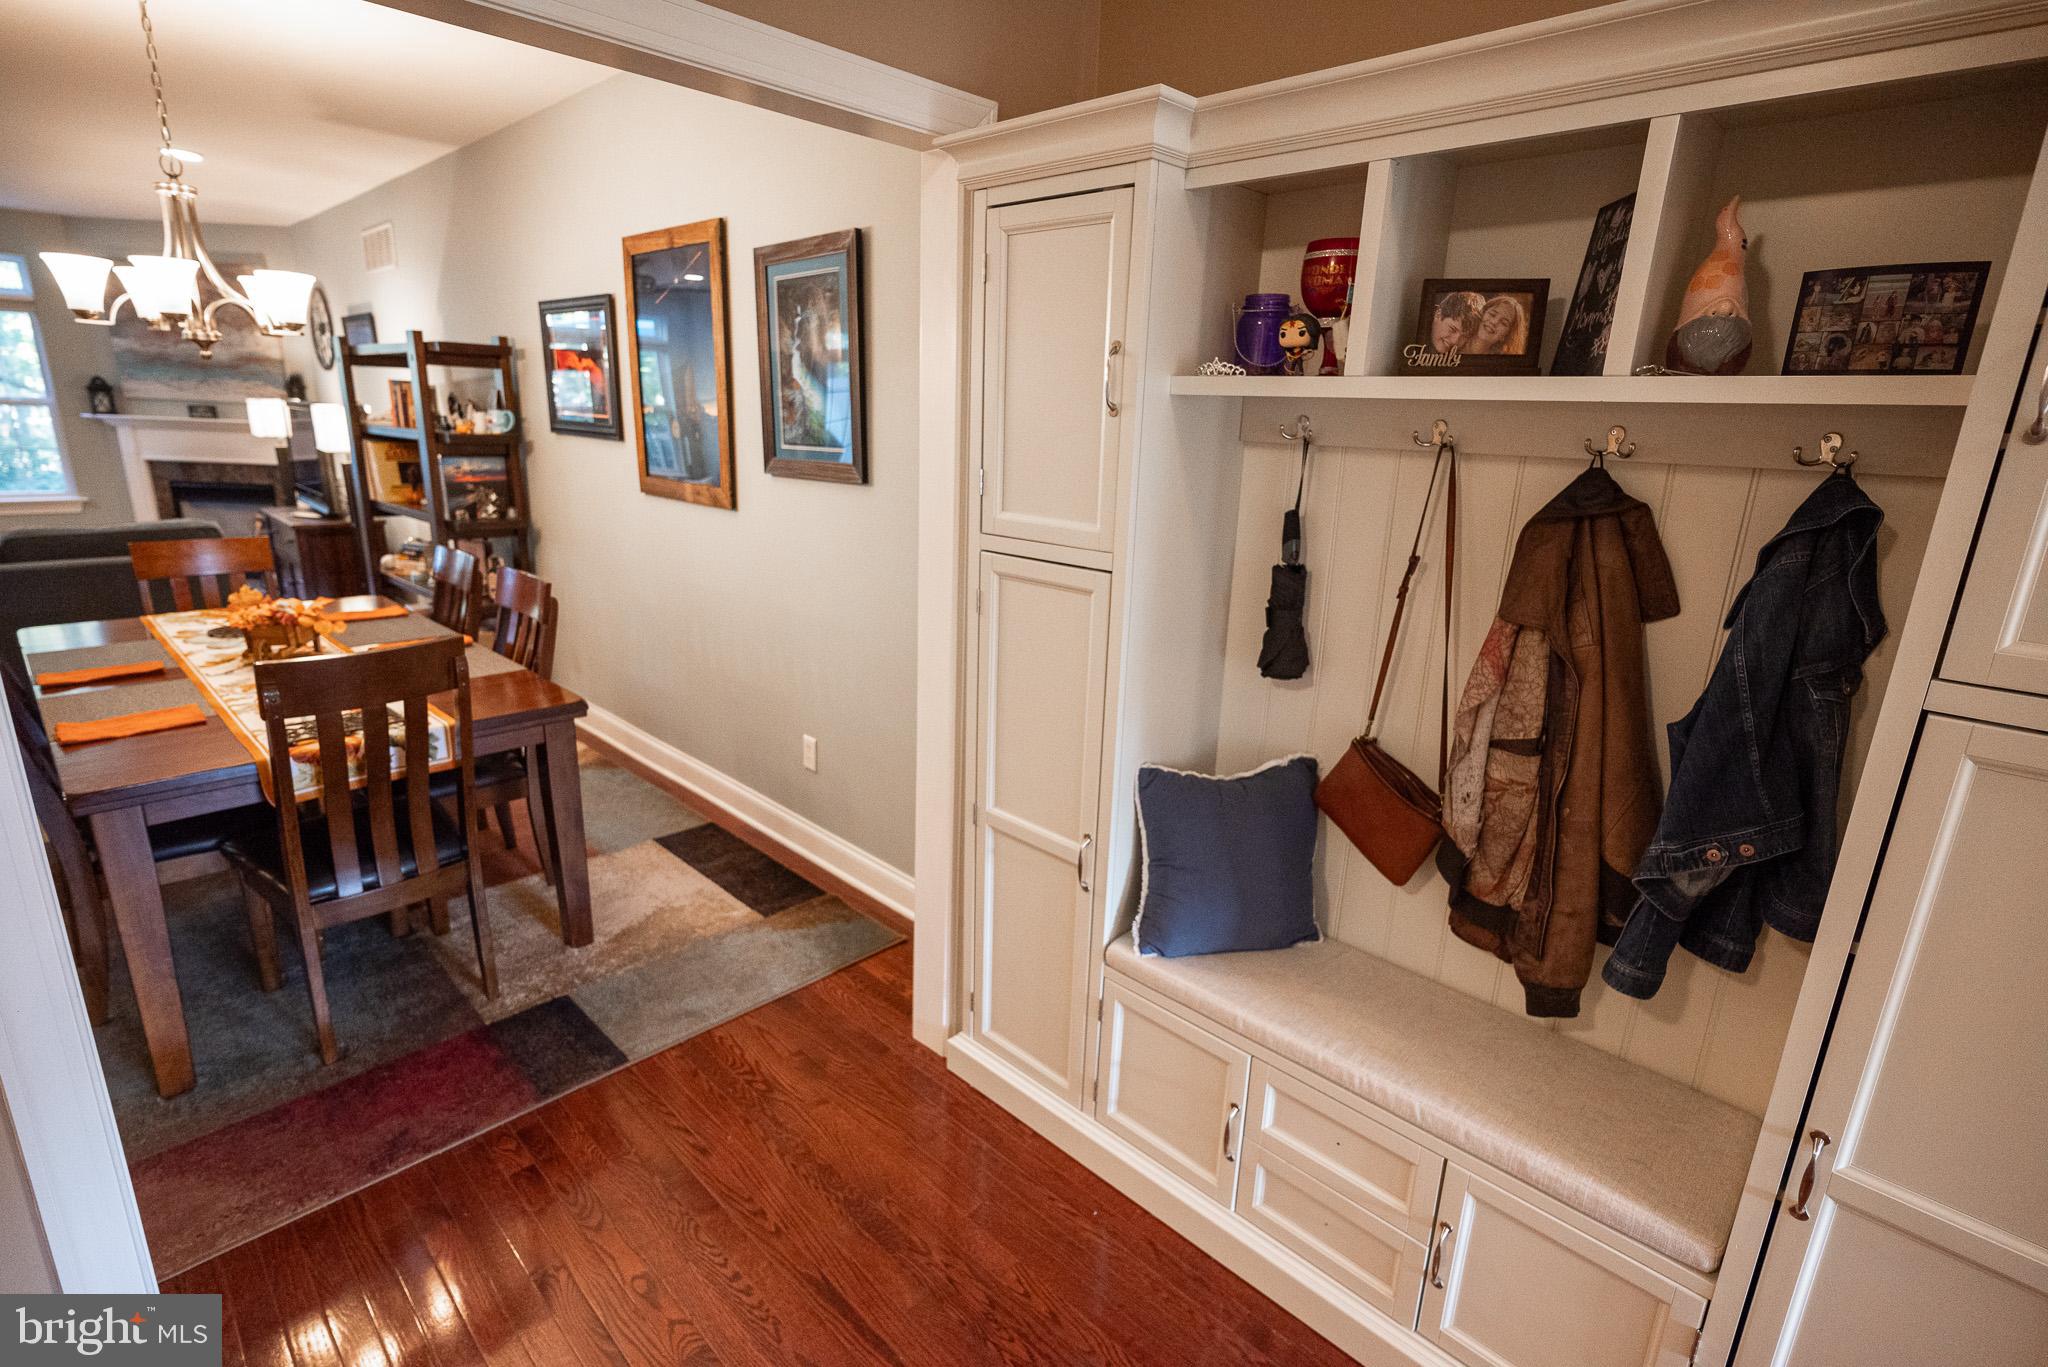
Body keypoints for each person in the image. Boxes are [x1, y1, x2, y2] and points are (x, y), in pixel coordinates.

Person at [1466, 294, 1530, 355]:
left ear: (1506, 335)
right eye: (1492, 314)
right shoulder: (1457, 342)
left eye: (1503, 323)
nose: (1494, 322)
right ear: (1482, 313)